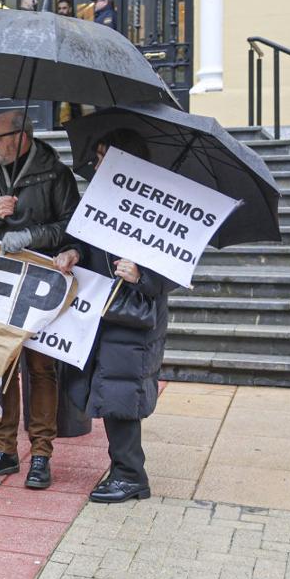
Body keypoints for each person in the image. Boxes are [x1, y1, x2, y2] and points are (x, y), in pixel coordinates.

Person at [0, 110, 81, 489]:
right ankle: (4, 449)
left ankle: (41, 454)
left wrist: (31, 236)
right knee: (3, 368)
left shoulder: (55, 175)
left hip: (42, 285)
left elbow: (71, 226)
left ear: (22, 136)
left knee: (41, 370)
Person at [54, 130, 176, 503]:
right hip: (100, 313)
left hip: (134, 318)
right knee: (106, 391)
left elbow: (174, 266)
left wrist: (143, 275)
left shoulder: (157, 207)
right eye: (98, 155)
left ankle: (130, 476)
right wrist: (72, 252)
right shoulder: (95, 199)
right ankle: (124, 471)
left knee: (121, 396)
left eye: (107, 155)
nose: (98, 162)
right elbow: (78, 239)